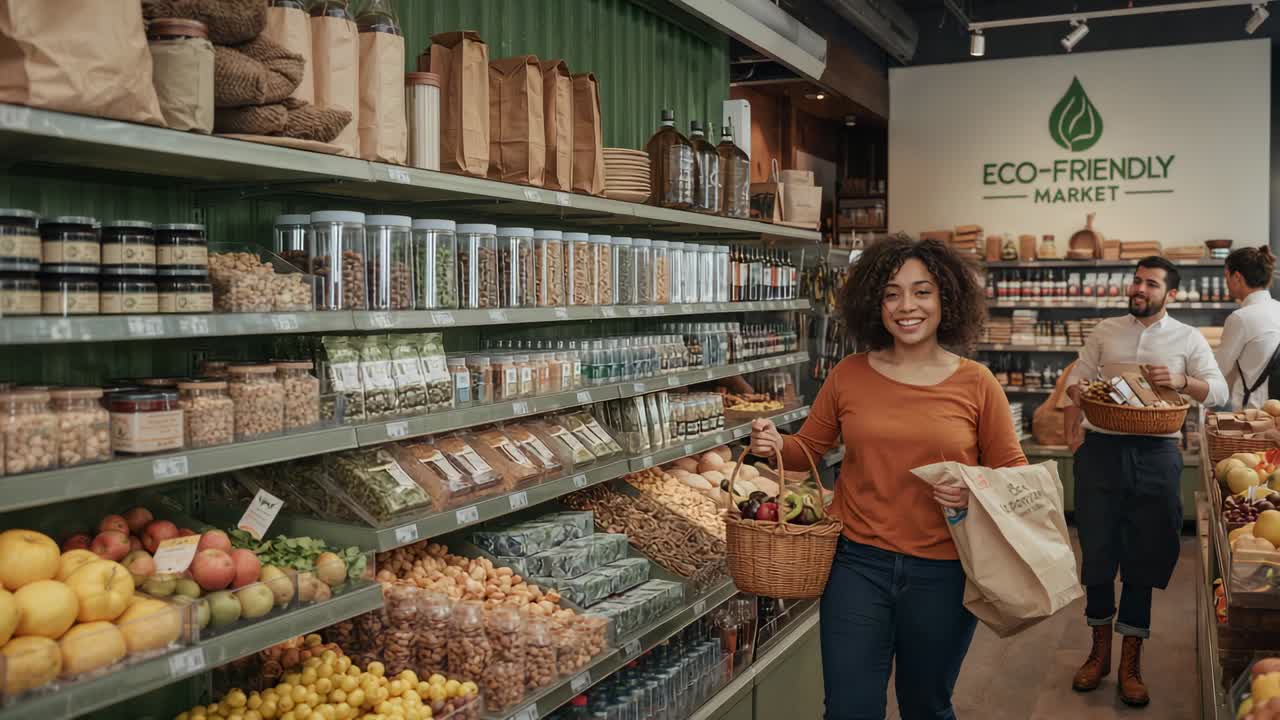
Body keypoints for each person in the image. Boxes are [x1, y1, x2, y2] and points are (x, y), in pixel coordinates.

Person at [749, 236, 1026, 720]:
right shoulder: (849, 374)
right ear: (875, 303)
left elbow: (1014, 476)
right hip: (857, 566)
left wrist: (972, 489)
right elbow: (807, 453)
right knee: (848, 708)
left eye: (922, 292)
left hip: (945, 573)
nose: (906, 306)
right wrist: (774, 446)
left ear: (946, 300)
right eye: (892, 293)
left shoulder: (977, 383)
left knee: (926, 706)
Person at [1064, 256, 1228, 707]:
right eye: (1136, 281)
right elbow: (1077, 377)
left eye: (1150, 284)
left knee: (1145, 551)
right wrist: (1080, 395)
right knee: (1096, 549)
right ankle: (1097, 651)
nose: (1139, 289)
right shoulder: (1105, 331)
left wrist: (1181, 380)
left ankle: (1130, 661)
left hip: (1157, 455)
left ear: (1169, 294)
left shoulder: (1187, 337)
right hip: (1101, 451)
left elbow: (1220, 391)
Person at [1215, 245, 1280, 409]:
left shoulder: (1241, 318)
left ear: (1237, 277)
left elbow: (1219, 370)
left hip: (1254, 414)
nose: (1227, 282)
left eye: (1226, 276)